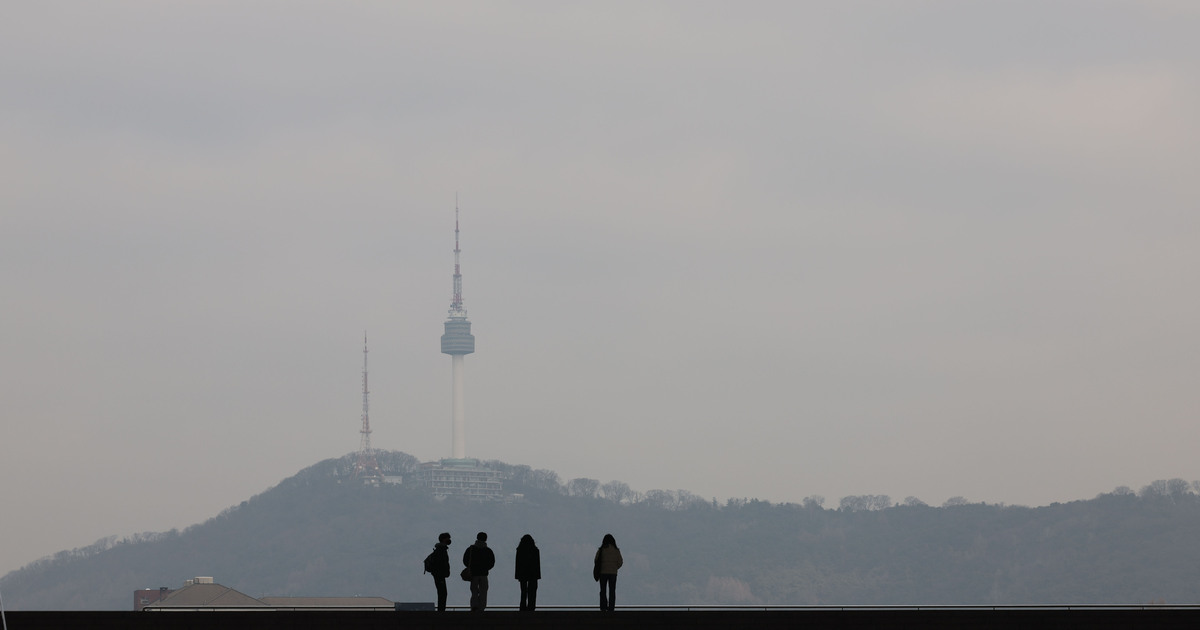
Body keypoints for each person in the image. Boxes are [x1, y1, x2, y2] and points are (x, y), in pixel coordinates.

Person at [463, 531, 496, 612]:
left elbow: (465, 560)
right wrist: (486, 568)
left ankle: (474, 606)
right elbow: (492, 562)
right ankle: (481, 608)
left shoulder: (470, 549)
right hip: (484, 574)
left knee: (474, 591)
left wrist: (470, 567)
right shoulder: (488, 551)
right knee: (483, 592)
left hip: (473, 574)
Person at [594, 533, 623, 611]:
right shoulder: (616, 550)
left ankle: (603, 607)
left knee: (603, 591)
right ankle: (611, 608)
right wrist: (615, 568)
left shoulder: (601, 550)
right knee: (612, 591)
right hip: (613, 573)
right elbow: (620, 562)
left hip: (603, 572)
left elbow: (596, 560)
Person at [424, 532, 452, 611]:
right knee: (443, 593)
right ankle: (441, 610)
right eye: (448, 538)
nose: (449, 540)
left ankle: (441, 609)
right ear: (443, 539)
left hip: (438, 574)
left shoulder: (440, 549)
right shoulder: (441, 550)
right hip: (439, 574)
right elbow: (441, 563)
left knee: (442, 592)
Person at [514, 534, 541, 611]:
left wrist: (518, 575)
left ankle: (522, 607)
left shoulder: (519, 550)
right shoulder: (535, 550)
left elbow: (518, 564)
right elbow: (537, 564)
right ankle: (531, 607)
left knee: (523, 592)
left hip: (522, 574)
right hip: (533, 574)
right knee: (532, 592)